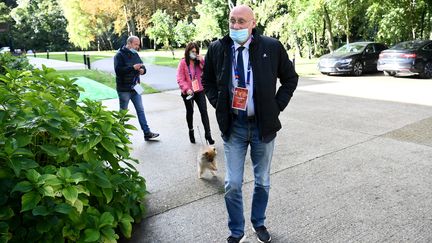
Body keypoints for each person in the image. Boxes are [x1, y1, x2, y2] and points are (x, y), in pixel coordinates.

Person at [202, 5, 298, 243]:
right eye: (232, 21)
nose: (235, 26)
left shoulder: (271, 47)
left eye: (241, 21)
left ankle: (259, 223)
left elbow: (290, 79)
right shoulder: (217, 48)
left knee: (262, 181)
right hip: (234, 126)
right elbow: (207, 81)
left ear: (253, 23)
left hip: (262, 127)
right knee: (232, 184)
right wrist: (219, 105)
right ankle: (237, 231)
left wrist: (276, 107)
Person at [114, 36, 159, 141]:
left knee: (140, 110)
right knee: (123, 113)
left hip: (136, 88)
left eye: (138, 45)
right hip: (124, 89)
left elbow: (143, 66)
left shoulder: (135, 54)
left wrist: (142, 70)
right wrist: (132, 68)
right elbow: (118, 71)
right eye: (136, 44)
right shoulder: (119, 55)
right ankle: (120, 134)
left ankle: (147, 133)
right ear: (129, 43)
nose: (138, 47)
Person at [176, 42, 214, 145]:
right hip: (188, 91)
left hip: (199, 90)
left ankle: (208, 134)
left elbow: (207, 71)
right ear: (188, 51)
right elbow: (180, 78)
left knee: (204, 111)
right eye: (192, 51)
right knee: (190, 111)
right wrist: (186, 89)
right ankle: (191, 131)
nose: (194, 53)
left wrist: (201, 60)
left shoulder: (199, 62)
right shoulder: (183, 62)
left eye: (196, 51)